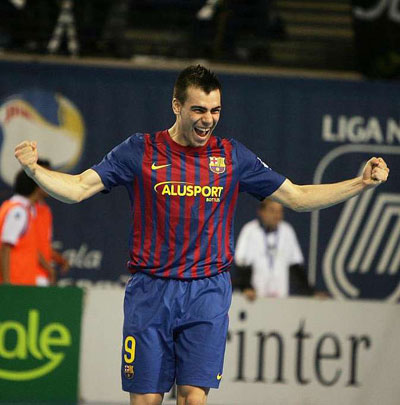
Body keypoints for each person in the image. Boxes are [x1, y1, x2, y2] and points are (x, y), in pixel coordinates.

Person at [14, 65, 389, 405]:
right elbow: (79, 188)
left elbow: (298, 197)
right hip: (151, 291)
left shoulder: (232, 157)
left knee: (193, 398)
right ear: (176, 105)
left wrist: (360, 183)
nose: (208, 120)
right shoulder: (139, 150)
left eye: (215, 111)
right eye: (198, 110)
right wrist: (36, 172)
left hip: (207, 291)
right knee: (146, 400)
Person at [234, 199, 319, 300]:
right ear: (261, 212)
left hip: (280, 299)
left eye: (280, 211)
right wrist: (246, 288)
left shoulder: (287, 231)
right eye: (272, 211)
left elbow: (296, 267)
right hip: (254, 299)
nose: (277, 215)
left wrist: (311, 293)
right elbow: (242, 265)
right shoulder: (249, 230)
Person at [0, 169, 41, 285]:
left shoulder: (12, 206)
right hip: (16, 283)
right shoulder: (18, 211)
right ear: (36, 188)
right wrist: (7, 284)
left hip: (21, 283)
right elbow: (5, 247)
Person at [35, 159, 70, 286]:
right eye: (45, 177)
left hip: (41, 275)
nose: (49, 183)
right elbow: (30, 245)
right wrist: (49, 268)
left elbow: (42, 244)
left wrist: (58, 259)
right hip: (26, 276)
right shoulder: (24, 209)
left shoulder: (45, 210)